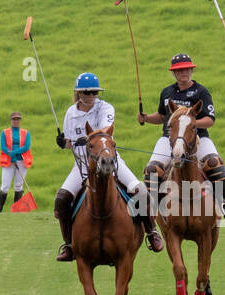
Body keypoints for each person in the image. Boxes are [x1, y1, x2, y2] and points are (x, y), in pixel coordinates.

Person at [54, 72, 163, 261]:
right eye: (86, 92)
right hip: (82, 166)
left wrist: (88, 138)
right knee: (62, 199)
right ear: (78, 93)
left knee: (141, 191)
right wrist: (63, 143)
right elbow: (70, 143)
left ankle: (151, 232)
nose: (90, 96)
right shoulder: (71, 113)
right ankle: (69, 244)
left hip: (110, 162)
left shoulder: (105, 108)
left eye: (94, 92)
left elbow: (105, 131)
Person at [138, 53, 225, 213]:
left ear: (191, 70)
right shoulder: (167, 92)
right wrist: (146, 118)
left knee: (216, 164)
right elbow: (161, 116)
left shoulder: (201, 92)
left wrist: (188, 125)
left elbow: (210, 120)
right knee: (152, 169)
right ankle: (149, 209)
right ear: (174, 73)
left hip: (198, 138)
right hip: (169, 139)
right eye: (179, 70)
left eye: (187, 69)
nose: (184, 73)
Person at [0, 112, 32, 211]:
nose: (16, 121)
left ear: (20, 121)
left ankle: (17, 209)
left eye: (18, 119)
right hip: (8, 162)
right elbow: (3, 147)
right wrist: (11, 155)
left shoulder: (26, 133)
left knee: (18, 185)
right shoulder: (4, 132)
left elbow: (26, 147)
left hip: (21, 162)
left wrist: (14, 153)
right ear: (11, 120)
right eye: (14, 119)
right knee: (5, 186)